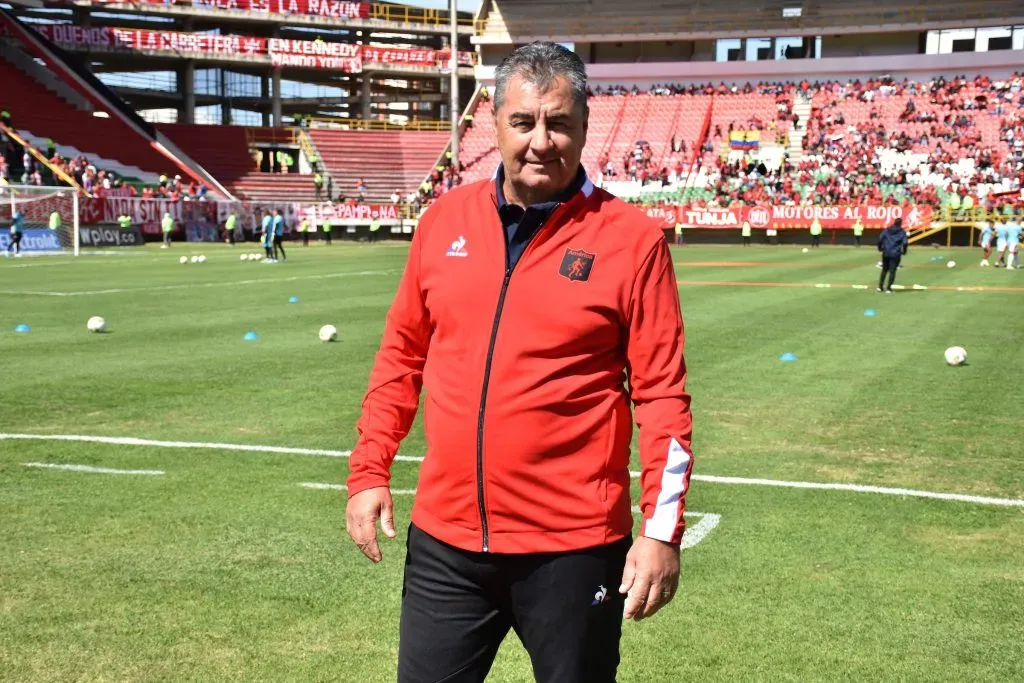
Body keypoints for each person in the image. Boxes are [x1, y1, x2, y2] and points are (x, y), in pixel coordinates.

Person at [346, 42, 693, 683]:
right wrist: (369, 473)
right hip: (445, 545)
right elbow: (401, 356)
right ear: (495, 124)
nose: (541, 141)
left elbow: (663, 394)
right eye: (523, 122)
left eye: (559, 123)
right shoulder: (442, 220)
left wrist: (662, 531)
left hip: (574, 548)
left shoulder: (633, 240)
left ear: (586, 127)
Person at [877, 217, 908, 293]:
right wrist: (904, 251)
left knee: (884, 269)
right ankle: (888, 288)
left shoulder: (887, 230)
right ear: (900, 223)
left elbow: (880, 239)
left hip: (886, 252)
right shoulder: (902, 232)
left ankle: (880, 287)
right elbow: (905, 243)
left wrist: (880, 248)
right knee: (892, 271)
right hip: (895, 253)